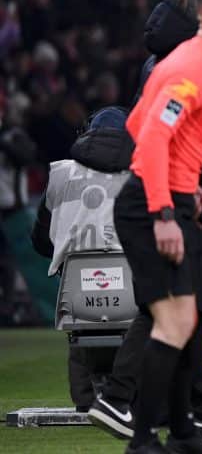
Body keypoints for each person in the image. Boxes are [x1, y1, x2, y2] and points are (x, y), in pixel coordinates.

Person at [88, 0, 202, 441]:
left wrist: (190, 188)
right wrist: (168, 211)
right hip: (154, 205)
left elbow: (139, 123)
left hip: (177, 198)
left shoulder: (192, 63)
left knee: (186, 315)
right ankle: (146, 416)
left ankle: (180, 428)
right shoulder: (193, 67)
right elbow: (150, 138)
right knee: (178, 316)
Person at [31, 106, 133, 411]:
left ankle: (86, 399)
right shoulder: (142, 172)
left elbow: (41, 240)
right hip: (133, 292)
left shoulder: (60, 174)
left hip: (76, 297)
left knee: (80, 323)